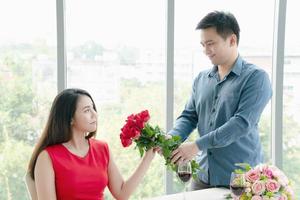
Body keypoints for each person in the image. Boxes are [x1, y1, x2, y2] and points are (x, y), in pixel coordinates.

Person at [168, 11, 272, 190]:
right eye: (203, 44)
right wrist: (171, 138)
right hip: (202, 175)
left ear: (232, 40)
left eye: (211, 44)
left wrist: (196, 146)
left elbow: (241, 124)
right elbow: (189, 116)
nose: (206, 50)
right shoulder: (201, 79)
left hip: (240, 179)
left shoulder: (256, 78)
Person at [25, 88, 156, 200]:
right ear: (70, 119)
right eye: (87, 110)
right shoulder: (47, 157)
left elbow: (122, 193)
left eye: (93, 108)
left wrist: (148, 157)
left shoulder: (102, 148)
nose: (95, 114)